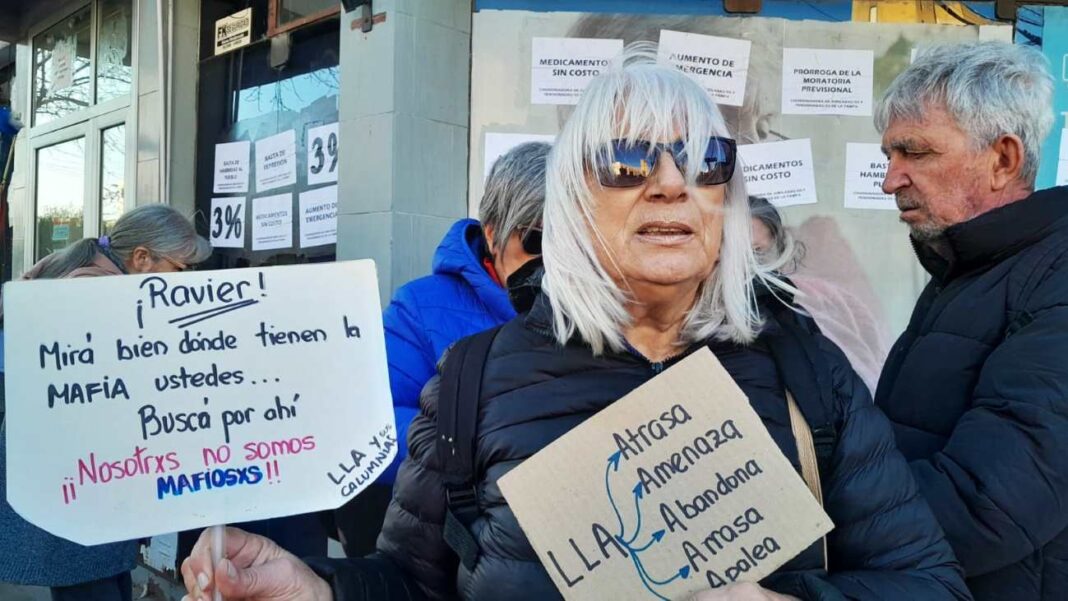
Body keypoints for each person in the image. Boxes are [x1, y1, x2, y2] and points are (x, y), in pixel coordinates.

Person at [181, 45, 969, 601]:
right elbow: (413, 583)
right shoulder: (474, 377)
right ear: (571, 202)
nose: (668, 184)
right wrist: (317, 588)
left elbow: (928, 581)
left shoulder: (803, 364)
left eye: (704, 160)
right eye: (627, 162)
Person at [872, 41, 1068, 600]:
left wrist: (807, 527)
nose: (891, 180)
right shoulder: (971, 269)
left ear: (1002, 159)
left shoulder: (1052, 275)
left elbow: (988, 505)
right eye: (889, 155)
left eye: (915, 153)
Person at [330, 142, 550, 556]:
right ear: (493, 234)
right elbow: (368, 421)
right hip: (448, 541)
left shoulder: (601, 309)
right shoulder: (420, 307)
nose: (553, 261)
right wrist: (476, 452)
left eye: (571, 241)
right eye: (537, 240)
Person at [0, 204, 210, 601]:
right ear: (142, 258)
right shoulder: (92, 297)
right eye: (182, 269)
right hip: (80, 489)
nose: (187, 282)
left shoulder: (86, 282)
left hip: (76, 487)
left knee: (102, 582)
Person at [748, 196, 890, 394]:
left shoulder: (831, 298)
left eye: (757, 252)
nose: (747, 265)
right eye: (733, 252)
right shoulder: (710, 318)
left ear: (779, 249)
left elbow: (878, 359)